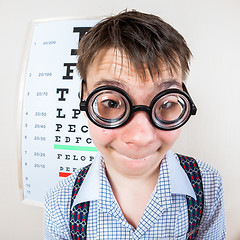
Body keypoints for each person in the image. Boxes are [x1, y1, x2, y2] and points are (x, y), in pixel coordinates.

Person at [44, 10, 226, 239]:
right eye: (111, 102)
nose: (142, 137)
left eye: (167, 103)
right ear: (84, 97)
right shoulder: (61, 203)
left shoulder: (208, 184)